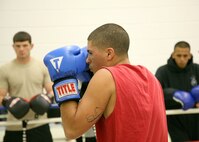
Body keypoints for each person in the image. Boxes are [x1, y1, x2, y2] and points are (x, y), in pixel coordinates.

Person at [44, 23, 168, 142]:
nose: (87, 60)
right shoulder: (151, 77)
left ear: (109, 53)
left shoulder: (105, 76)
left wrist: (63, 79)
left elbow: (71, 130)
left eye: (90, 53)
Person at [0, 31, 54, 142]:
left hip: (39, 123)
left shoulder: (42, 66)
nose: (21, 49)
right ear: (13, 46)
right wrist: (7, 102)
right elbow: (1, 95)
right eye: (18, 46)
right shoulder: (4, 69)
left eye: (25, 45)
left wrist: (46, 98)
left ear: (31, 46)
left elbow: (52, 90)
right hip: (14, 124)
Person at [155, 41, 199, 141]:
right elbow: (156, 94)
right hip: (174, 123)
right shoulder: (163, 71)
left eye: (185, 55)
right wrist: (173, 94)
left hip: (196, 122)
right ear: (173, 55)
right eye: (179, 55)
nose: (182, 59)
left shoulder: (197, 69)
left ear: (190, 55)